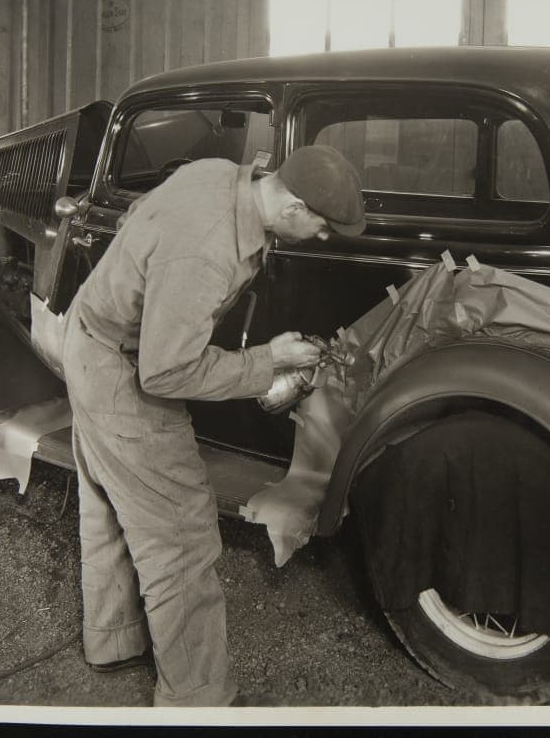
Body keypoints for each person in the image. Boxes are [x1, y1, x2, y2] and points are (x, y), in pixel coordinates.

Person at [60, 145, 365, 707]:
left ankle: (113, 642)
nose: (322, 239)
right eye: (322, 228)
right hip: (123, 370)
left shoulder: (219, 175)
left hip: (90, 338)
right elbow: (166, 371)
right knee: (179, 534)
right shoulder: (206, 252)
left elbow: (138, 222)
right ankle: (197, 702)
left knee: (109, 501)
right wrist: (268, 360)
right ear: (294, 205)